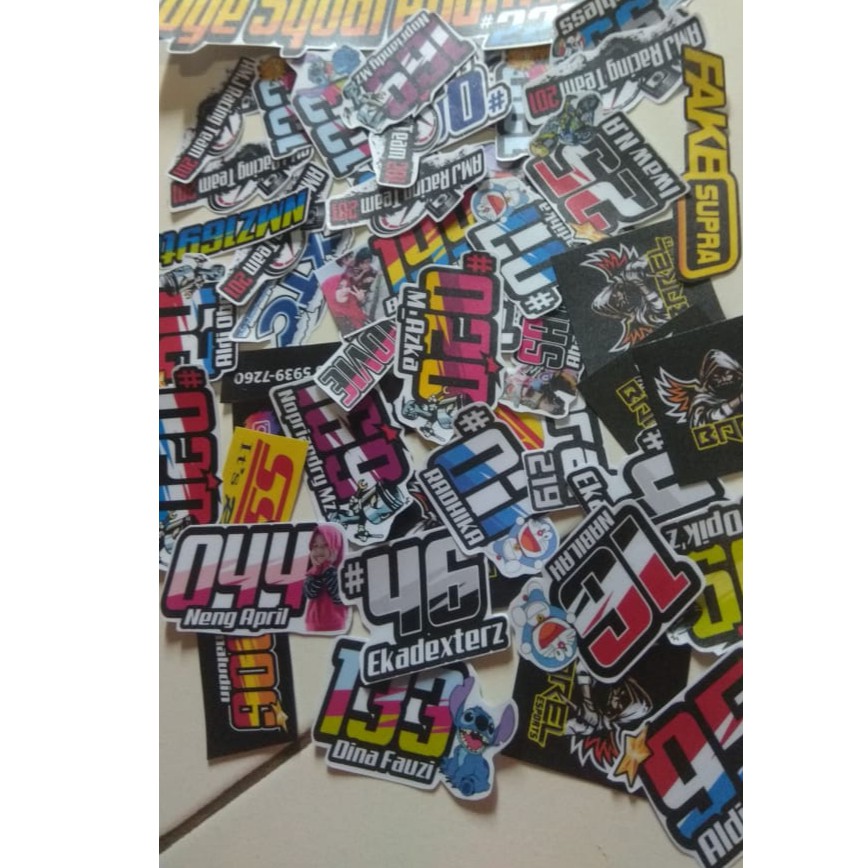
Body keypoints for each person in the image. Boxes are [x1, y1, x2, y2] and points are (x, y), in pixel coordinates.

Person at [302, 524, 349, 633]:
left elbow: (338, 598)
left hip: (336, 624)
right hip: (312, 624)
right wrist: (318, 569)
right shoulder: (312, 573)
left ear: (336, 547)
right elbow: (310, 594)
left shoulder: (343, 573)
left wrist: (329, 568)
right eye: (315, 546)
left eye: (325, 545)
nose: (319, 550)